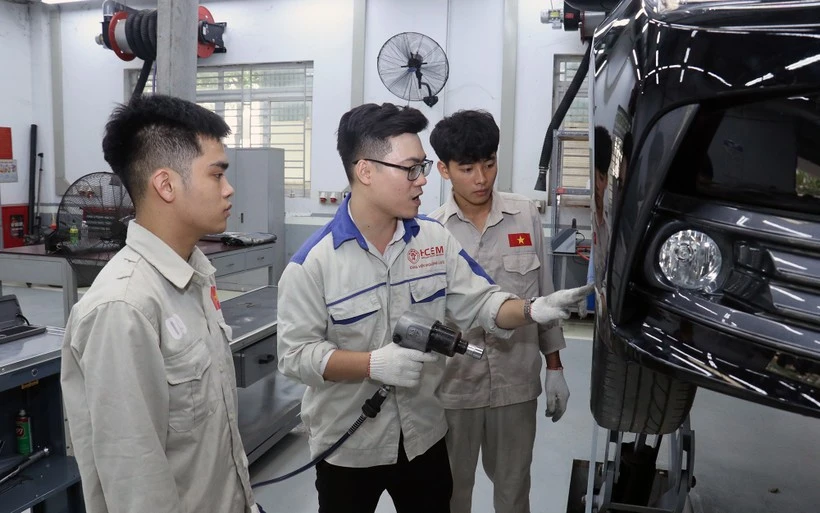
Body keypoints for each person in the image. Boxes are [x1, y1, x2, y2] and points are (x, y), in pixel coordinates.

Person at [276, 102, 591, 513]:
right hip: (351, 446)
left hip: (425, 435)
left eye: (422, 166)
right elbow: (295, 355)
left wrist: (532, 310)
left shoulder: (433, 241)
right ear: (365, 171)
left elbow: (483, 301)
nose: (422, 180)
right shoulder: (312, 264)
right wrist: (372, 365)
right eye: (411, 169)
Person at [60, 94, 262, 513]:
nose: (229, 189)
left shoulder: (194, 274)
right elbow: (136, 482)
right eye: (216, 175)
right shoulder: (124, 307)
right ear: (166, 184)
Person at [428, 109, 569, 513]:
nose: (481, 179)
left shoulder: (525, 214)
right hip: (455, 388)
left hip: (516, 383)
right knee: (452, 494)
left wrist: (555, 368)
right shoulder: (431, 231)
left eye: (489, 164)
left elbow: (544, 298)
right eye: (468, 168)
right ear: (443, 169)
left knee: (513, 491)